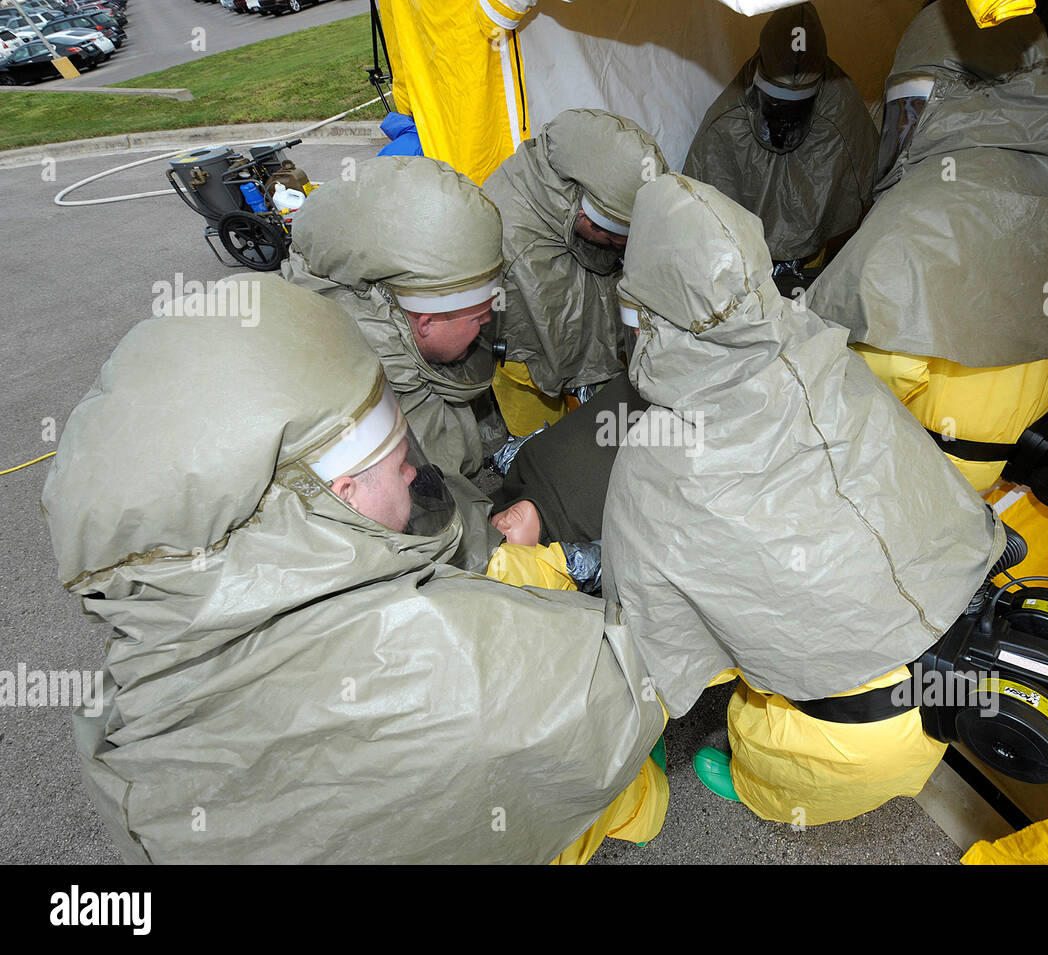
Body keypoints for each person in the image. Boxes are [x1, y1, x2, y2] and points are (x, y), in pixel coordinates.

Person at [42, 274, 667, 864]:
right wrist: (538, 569)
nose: (415, 475)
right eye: (400, 465)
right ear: (339, 493)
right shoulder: (445, 672)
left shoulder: (155, 657)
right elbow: (611, 700)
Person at [604, 174, 1004, 826]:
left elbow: (656, 649)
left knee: (774, 762)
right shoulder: (827, 350)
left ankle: (750, 784)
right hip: (967, 662)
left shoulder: (654, 463)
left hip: (846, 735)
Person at [807, 0, 1048, 493]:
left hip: (919, 470)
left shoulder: (919, 213)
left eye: (911, 104)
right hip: (1011, 452)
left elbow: (873, 373)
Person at [283, 155, 505, 571]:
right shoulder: (368, 385)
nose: (488, 324)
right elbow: (425, 518)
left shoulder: (394, 337)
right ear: (425, 320)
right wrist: (503, 559)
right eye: (478, 318)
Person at [482, 108, 667, 436]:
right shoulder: (515, 245)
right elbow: (550, 329)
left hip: (584, 340)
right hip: (526, 365)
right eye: (615, 240)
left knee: (602, 424)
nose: (621, 249)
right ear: (587, 219)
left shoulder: (611, 168)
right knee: (544, 444)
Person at [682, 2, 877, 293]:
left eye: (797, 109)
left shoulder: (840, 114)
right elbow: (698, 200)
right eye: (774, 106)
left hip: (811, 265)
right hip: (744, 265)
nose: (784, 121)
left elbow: (867, 183)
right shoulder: (727, 121)